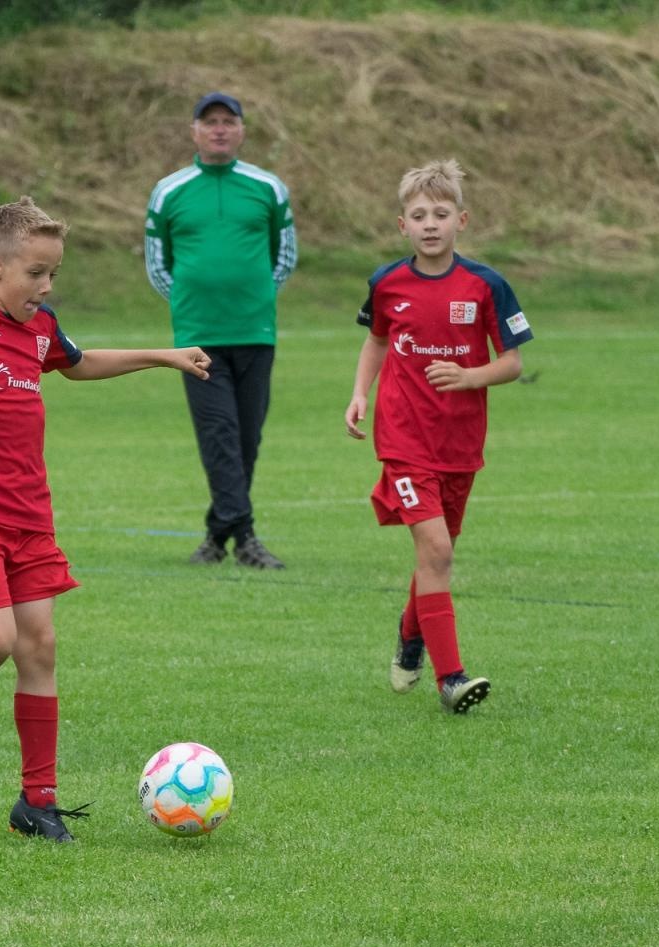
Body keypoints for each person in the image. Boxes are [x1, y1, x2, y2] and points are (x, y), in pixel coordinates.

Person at [0, 196, 211, 843]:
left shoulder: (41, 327)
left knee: (39, 646)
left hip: (30, 513)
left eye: (53, 273)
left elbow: (78, 364)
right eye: (36, 273)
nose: (46, 286)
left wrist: (164, 355)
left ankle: (37, 802)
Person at [344, 159, 533, 714]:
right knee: (438, 550)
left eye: (441, 214)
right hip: (403, 439)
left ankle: (411, 634)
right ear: (403, 224)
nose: (431, 224)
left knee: (437, 557)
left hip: (460, 443)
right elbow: (377, 341)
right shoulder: (387, 283)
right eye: (420, 215)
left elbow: (513, 363)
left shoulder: (486, 285)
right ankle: (451, 679)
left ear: (461, 221)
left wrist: (470, 377)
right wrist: (360, 393)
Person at [145, 91, 297, 570]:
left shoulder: (268, 187)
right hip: (198, 336)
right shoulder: (169, 191)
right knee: (219, 433)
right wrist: (190, 303)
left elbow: (284, 255)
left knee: (246, 437)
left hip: (255, 332)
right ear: (194, 131)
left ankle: (216, 535)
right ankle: (245, 537)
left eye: (228, 121)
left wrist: (256, 298)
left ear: (241, 130)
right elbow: (158, 263)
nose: (219, 129)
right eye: (209, 121)